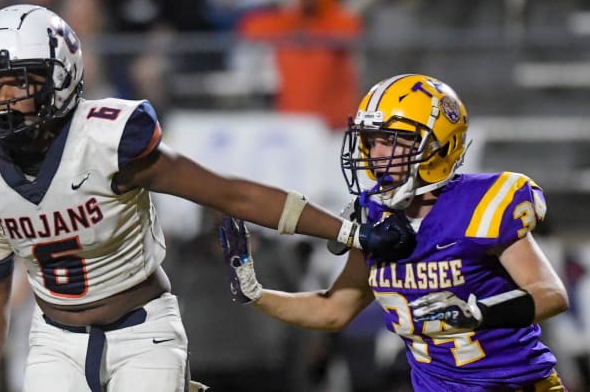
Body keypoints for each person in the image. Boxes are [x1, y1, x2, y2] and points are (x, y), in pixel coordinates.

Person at [0, 4, 377, 392]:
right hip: (53, 338)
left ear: (60, 78)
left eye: (18, 83)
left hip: (142, 332)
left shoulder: (109, 142)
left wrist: (348, 231)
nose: (4, 99)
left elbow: (231, 194)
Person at [218, 73, 570, 391]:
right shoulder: (374, 217)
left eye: (393, 140)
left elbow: (551, 294)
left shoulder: (484, 205)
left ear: (439, 146)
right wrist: (257, 294)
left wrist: (478, 312)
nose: (377, 153)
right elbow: (334, 310)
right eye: (372, 141)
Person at [238, 0, 363, 130]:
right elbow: (248, 28)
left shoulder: (337, 21)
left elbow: (351, 28)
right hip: (294, 119)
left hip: (333, 122)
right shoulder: (288, 22)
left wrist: (311, 35)